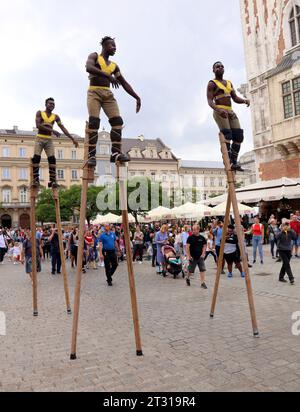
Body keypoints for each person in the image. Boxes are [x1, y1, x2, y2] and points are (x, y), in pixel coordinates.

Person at [86, 36, 141, 167]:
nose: (115, 48)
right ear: (104, 46)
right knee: (94, 122)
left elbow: (124, 83)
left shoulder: (114, 66)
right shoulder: (94, 56)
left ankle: (115, 153)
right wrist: (107, 76)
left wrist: (137, 97)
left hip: (108, 95)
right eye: (112, 45)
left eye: (115, 46)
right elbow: (88, 67)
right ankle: (91, 155)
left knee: (117, 122)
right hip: (94, 92)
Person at [207, 62, 250, 172]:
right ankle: (228, 161)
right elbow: (210, 101)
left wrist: (244, 100)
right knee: (227, 135)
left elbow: (235, 98)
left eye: (222, 66)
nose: (220, 68)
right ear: (213, 70)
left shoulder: (229, 83)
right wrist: (218, 109)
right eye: (217, 67)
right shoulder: (212, 84)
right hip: (220, 111)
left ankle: (234, 162)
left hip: (230, 111)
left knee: (239, 136)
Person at [32, 98, 78, 188]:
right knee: (36, 158)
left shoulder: (56, 116)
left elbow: (63, 128)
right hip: (40, 138)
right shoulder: (40, 113)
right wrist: (52, 130)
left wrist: (72, 139)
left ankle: (52, 181)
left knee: (52, 159)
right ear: (46, 104)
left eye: (53, 104)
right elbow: (38, 125)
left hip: (49, 140)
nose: (52, 105)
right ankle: (35, 179)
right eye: (50, 103)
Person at [186, 224, 208, 289]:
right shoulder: (190, 238)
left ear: (198, 230)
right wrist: (189, 256)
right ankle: (187, 277)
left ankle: (202, 283)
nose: (193, 231)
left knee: (202, 269)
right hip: (193, 257)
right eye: (193, 229)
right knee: (191, 270)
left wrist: (203, 253)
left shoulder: (202, 238)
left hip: (200, 257)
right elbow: (187, 247)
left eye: (195, 229)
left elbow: (204, 246)